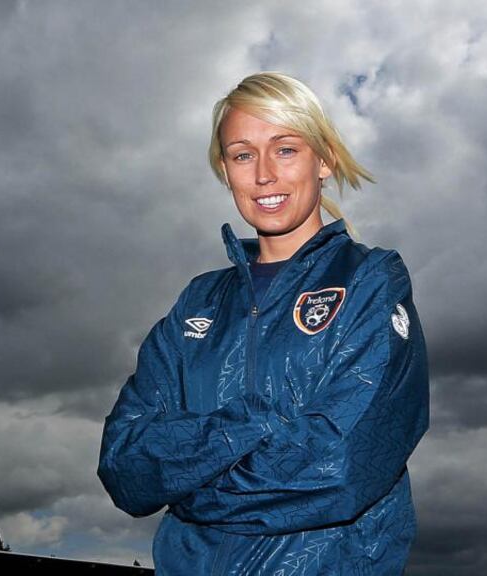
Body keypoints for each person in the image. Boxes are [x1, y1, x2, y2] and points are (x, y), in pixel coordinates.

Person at [98, 71, 429, 575]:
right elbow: (125, 466)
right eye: (242, 154)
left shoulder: (371, 280)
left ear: (325, 160)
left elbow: (340, 467)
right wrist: (254, 424)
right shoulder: (198, 302)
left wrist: (186, 484)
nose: (264, 174)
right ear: (225, 171)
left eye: (286, 149)